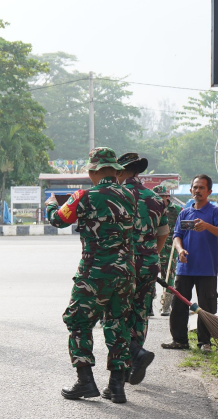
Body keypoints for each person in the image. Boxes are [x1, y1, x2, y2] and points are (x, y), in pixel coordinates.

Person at [45, 147, 134, 403]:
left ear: (93, 170)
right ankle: (117, 387)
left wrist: (51, 205)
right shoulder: (129, 196)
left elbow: (58, 220)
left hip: (95, 273)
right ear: (114, 171)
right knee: (117, 324)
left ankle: (85, 381)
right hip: (125, 272)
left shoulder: (84, 196)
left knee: (78, 321)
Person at [114, 153, 169, 388]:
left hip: (124, 263)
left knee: (117, 315)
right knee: (141, 313)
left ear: (123, 171)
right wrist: (150, 254)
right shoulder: (155, 198)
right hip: (149, 263)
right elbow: (163, 233)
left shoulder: (118, 196)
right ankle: (136, 359)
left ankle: (128, 360)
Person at [162, 174, 218, 353]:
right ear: (191, 190)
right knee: (179, 305)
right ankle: (180, 340)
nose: (198, 191)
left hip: (207, 268)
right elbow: (177, 236)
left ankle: (204, 343)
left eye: (201, 188)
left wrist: (207, 226)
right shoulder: (185, 212)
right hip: (185, 267)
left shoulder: (215, 212)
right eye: (195, 187)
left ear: (209, 191)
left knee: (206, 307)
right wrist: (180, 250)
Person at [152, 185, 182, 316]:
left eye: (161, 197)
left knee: (168, 276)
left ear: (167, 197)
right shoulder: (151, 209)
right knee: (150, 277)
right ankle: (148, 306)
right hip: (153, 248)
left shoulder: (176, 210)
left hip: (169, 249)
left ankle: (166, 305)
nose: (159, 200)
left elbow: (182, 228)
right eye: (157, 197)